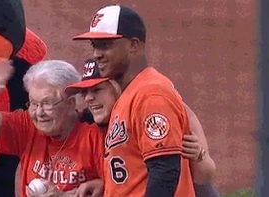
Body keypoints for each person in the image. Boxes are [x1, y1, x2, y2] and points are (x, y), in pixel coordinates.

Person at [72, 4, 196, 197]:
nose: (96, 54)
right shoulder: (128, 95)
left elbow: (164, 172)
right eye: (94, 45)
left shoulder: (151, 93)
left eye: (105, 45)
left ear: (133, 45)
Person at [66, 59, 220, 197]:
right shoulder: (96, 121)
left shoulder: (154, 108)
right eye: (84, 92)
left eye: (97, 90)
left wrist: (199, 155)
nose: (88, 98)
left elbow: (203, 180)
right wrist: (102, 183)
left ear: (116, 87)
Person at [0, 59, 104, 197]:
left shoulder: (94, 136)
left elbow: (116, 189)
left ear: (70, 104)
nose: (39, 113)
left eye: (47, 103)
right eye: (33, 103)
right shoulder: (27, 126)